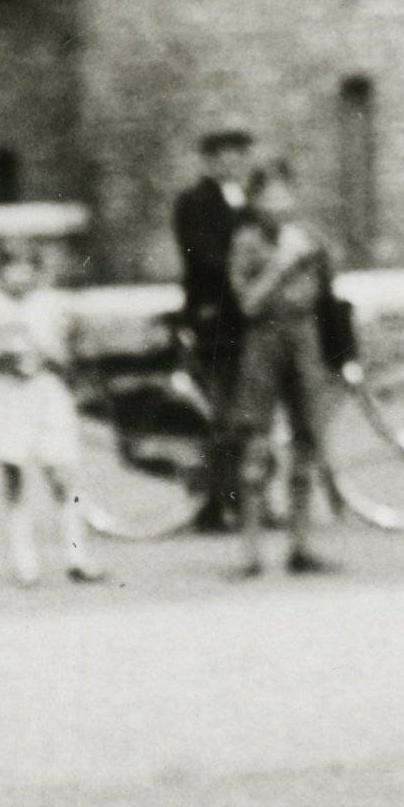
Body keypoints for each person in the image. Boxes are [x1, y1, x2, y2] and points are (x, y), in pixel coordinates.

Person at [0, 239, 103, 588]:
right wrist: (1, 359)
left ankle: (76, 555)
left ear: (37, 273)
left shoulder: (51, 306)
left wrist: (49, 355)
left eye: (27, 268)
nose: (19, 276)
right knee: (14, 476)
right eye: (11, 268)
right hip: (7, 398)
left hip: (44, 393)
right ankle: (24, 560)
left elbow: (69, 355)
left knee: (60, 474)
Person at [227, 159, 340, 580]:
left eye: (284, 195)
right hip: (264, 342)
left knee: (306, 441)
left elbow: (326, 290)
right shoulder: (247, 241)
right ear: (254, 203)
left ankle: (300, 546)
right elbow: (248, 303)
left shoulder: (309, 237)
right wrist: (281, 263)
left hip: (304, 339)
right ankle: (251, 552)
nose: (278, 205)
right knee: (256, 444)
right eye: (268, 198)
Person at [169, 131, 254, 532]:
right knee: (223, 411)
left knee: (248, 411)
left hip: (249, 318)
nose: (232, 162)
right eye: (223, 155)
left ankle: (247, 497)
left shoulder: (250, 200)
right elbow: (203, 259)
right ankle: (217, 504)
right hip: (215, 319)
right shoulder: (194, 202)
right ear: (208, 161)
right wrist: (249, 275)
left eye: (239, 154)